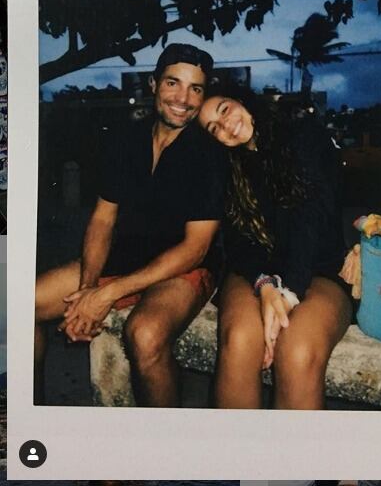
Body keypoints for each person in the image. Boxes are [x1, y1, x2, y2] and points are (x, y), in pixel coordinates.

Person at [35, 43, 229, 407]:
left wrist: (107, 294)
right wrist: (88, 289)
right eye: (173, 83)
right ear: (153, 84)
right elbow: (102, 219)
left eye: (195, 89)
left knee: (145, 334)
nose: (183, 99)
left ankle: (166, 436)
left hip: (185, 268)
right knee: (26, 302)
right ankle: (30, 417)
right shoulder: (125, 140)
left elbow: (196, 248)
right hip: (127, 257)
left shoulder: (209, 153)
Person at [198, 86, 353, 410]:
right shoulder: (228, 169)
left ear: (242, 100)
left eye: (224, 109)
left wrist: (289, 292)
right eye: (213, 128)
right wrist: (265, 285)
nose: (225, 126)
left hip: (316, 269)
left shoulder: (301, 134)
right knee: (240, 341)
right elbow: (238, 243)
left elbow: (311, 218)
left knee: (296, 350)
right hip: (255, 271)